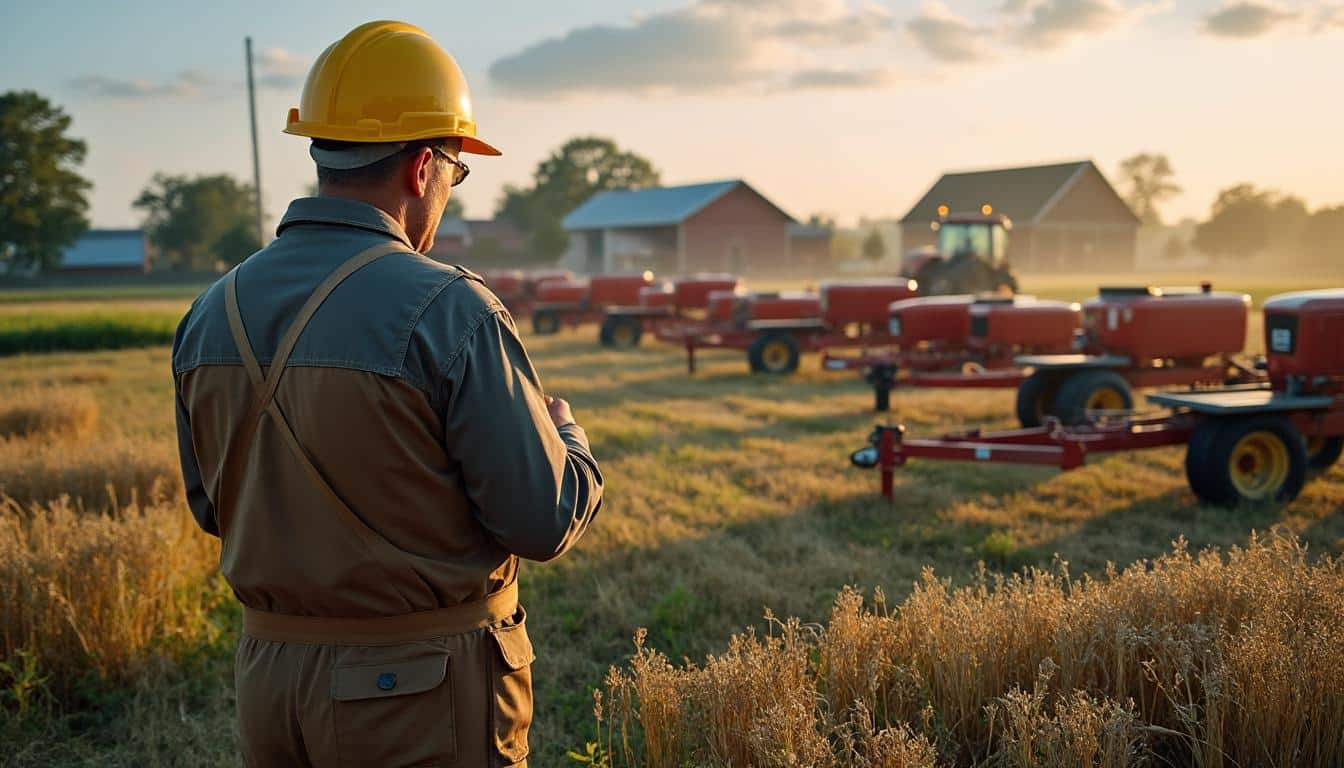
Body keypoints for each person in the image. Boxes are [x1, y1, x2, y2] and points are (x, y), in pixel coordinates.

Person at [171, 20, 602, 767]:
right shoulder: (450, 308)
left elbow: (215, 509)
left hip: (271, 686)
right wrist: (568, 441)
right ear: (420, 165)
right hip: (419, 695)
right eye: (457, 173)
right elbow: (542, 520)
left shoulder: (212, 311)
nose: (450, 192)